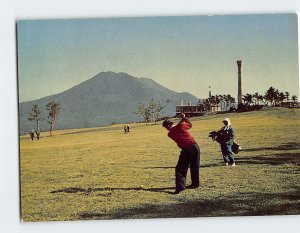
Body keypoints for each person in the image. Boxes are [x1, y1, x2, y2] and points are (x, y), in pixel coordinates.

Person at [162, 113, 200, 194]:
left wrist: (182, 119)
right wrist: (184, 118)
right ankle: (195, 184)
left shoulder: (170, 134)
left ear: (168, 126)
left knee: (180, 168)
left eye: (166, 127)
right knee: (194, 166)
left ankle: (180, 187)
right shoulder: (180, 126)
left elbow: (176, 128)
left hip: (187, 149)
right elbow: (189, 125)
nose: (166, 128)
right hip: (195, 147)